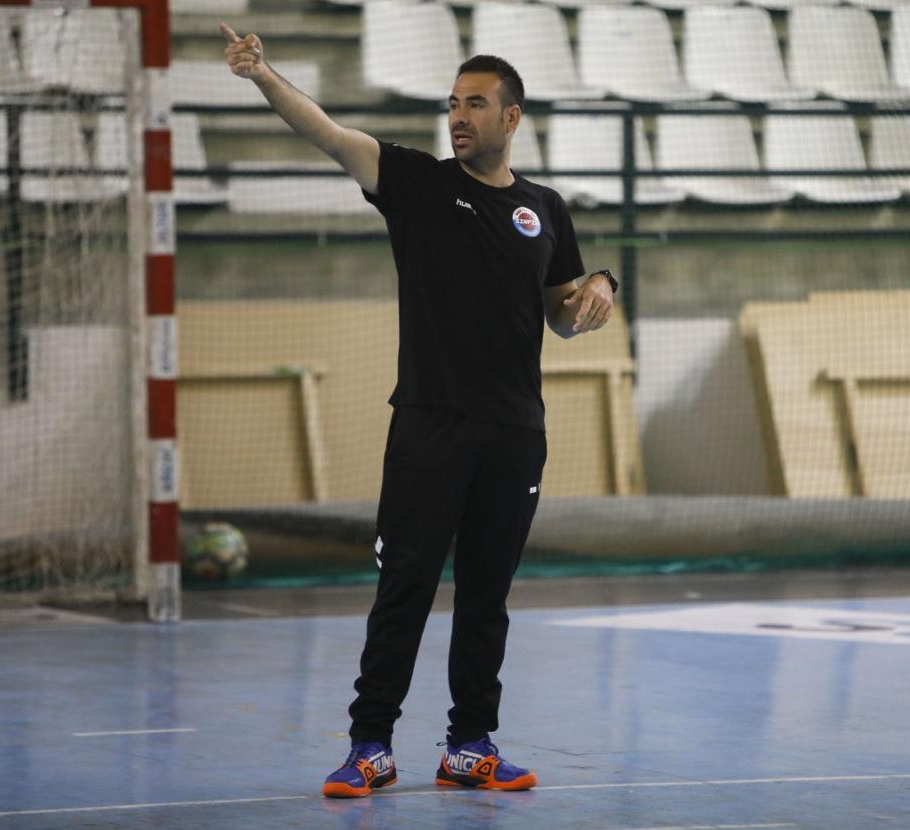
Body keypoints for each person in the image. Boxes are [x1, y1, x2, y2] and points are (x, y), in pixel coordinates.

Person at [221, 25, 619, 796]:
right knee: (404, 584)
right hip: (431, 424)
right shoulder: (415, 182)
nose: (459, 115)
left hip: (515, 432)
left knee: (486, 596)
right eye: (451, 104)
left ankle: (470, 744)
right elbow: (330, 133)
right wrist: (263, 76)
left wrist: (601, 283)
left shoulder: (545, 209)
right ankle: (370, 745)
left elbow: (562, 316)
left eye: (476, 103)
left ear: (512, 118)